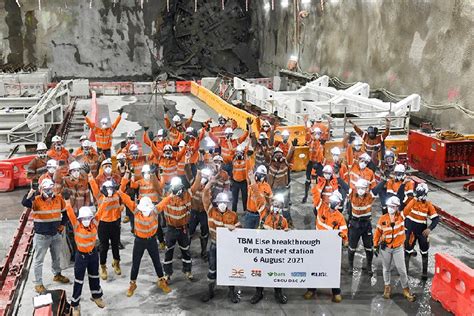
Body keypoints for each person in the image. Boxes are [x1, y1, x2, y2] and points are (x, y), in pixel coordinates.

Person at [116, 194, 171, 297]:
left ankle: (161, 281)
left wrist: (172, 194)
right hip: (139, 241)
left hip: (151, 241)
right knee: (135, 263)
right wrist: (119, 191)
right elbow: (127, 199)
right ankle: (132, 284)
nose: (146, 213)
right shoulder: (136, 210)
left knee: (157, 262)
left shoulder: (155, 211)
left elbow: (164, 202)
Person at [21, 179, 70, 293]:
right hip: (41, 237)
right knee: (39, 261)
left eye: (51, 189)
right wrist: (32, 191)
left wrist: (62, 224)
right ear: (41, 190)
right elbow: (24, 202)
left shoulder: (58, 199)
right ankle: (38, 283)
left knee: (56, 257)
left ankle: (57, 275)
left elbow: (65, 214)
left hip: (55, 235)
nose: (49, 192)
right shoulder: (36, 200)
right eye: (46, 189)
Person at [304, 191, 347, 302]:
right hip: (318, 245)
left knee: (333, 269)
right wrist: (317, 184)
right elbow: (316, 196)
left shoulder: (340, 217)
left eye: (336, 202)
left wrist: (343, 237)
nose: (333, 204)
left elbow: (344, 231)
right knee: (314, 267)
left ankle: (336, 292)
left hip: (331, 248)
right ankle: (311, 290)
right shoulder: (321, 208)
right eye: (333, 201)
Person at [64, 201, 105, 315]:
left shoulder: (95, 223)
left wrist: (107, 197)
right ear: (80, 219)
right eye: (84, 218)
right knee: (79, 280)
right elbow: (70, 212)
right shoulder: (76, 224)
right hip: (81, 256)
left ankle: (96, 296)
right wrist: (67, 201)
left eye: (88, 218)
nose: (86, 220)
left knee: (94, 276)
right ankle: (75, 304)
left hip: (93, 255)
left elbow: (101, 210)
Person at [201, 187, 241, 303]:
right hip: (214, 245)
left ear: (228, 204)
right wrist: (209, 183)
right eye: (220, 202)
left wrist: (235, 228)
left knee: (229, 268)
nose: (222, 204)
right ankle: (210, 291)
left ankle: (231, 291)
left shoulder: (233, 215)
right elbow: (205, 197)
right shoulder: (211, 212)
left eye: (224, 202)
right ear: (216, 203)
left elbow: (240, 229)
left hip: (227, 248)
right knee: (212, 269)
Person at [374, 196, 416, 302]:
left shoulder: (401, 217)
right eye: (389, 206)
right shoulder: (382, 219)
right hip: (386, 249)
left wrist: (415, 198)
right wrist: (375, 245)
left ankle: (406, 290)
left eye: (393, 206)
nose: (390, 208)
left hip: (398, 248)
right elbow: (377, 233)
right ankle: (387, 288)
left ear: (397, 207)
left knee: (402, 270)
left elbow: (409, 207)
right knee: (386, 269)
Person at [251, 194, 289, 304]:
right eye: (274, 204)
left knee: (277, 272)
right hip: (262, 250)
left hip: (276, 253)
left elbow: (287, 240)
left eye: (278, 205)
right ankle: (259, 292)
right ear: (271, 204)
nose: (276, 206)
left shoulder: (283, 221)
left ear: (281, 207)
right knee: (260, 272)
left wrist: (287, 234)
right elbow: (257, 197)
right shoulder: (264, 215)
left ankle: (278, 293)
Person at [156, 177, 193, 281]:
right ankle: (167, 273)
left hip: (183, 229)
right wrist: (153, 175)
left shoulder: (187, 196)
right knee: (168, 251)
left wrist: (199, 173)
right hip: (171, 229)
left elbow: (194, 187)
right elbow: (157, 189)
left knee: (185, 250)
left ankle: (188, 270)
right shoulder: (167, 195)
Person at [88, 176, 123, 280]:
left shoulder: (117, 195)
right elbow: (94, 186)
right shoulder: (100, 197)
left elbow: (123, 185)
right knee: (104, 247)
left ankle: (116, 263)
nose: (109, 191)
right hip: (103, 224)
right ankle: (103, 267)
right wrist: (90, 175)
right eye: (107, 189)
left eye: (111, 188)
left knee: (115, 245)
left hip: (115, 223)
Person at [403, 183, 440, 280]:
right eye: (418, 194)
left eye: (421, 194)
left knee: (424, 251)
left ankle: (424, 273)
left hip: (422, 232)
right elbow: (404, 214)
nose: (419, 197)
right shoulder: (413, 202)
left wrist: (429, 229)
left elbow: (436, 219)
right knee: (407, 250)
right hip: (411, 231)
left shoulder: (428, 205)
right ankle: (405, 272)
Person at [347, 179, 376, 275]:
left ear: (366, 189)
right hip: (355, 225)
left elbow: (377, 189)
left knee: (369, 247)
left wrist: (384, 180)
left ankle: (369, 266)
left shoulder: (369, 196)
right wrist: (338, 177)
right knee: (352, 247)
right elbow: (344, 186)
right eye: (359, 188)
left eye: (363, 188)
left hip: (366, 225)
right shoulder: (352, 195)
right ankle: (350, 266)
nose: (360, 190)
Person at [188, 168, 212, 260]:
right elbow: (188, 172)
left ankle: (203, 252)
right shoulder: (194, 184)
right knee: (190, 231)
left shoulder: (209, 188)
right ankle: (185, 251)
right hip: (193, 212)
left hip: (203, 213)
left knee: (204, 232)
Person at [268, 147, 294, 226]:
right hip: (275, 190)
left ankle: (288, 222)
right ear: (274, 157)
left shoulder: (285, 163)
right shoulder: (272, 167)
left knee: (285, 207)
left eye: (280, 155)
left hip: (284, 189)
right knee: (275, 206)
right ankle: (273, 222)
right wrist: (270, 191)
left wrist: (292, 147)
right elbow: (270, 180)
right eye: (277, 155)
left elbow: (290, 155)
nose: (279, 157)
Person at [302, 121, 325, 203]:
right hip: (311, 163)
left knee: (320, 181)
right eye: (316, 133)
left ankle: (318, 196)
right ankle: (306, 195)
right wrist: (306, 124)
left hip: (318, 164)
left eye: (319, 133)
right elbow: (307, 134)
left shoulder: (322, 143)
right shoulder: (310, 142)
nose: (317, 135)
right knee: (308, 180)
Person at [231, 146, 253, 212]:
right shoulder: (233, 160)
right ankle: (233, 212)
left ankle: (245, 212)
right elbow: (231, 151)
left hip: (243, 182)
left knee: (245, 199)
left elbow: (247, 151)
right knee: (234, 200)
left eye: (240, 153)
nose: (239, 154)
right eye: (237, 153)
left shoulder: (246, 161)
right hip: (235, 182)